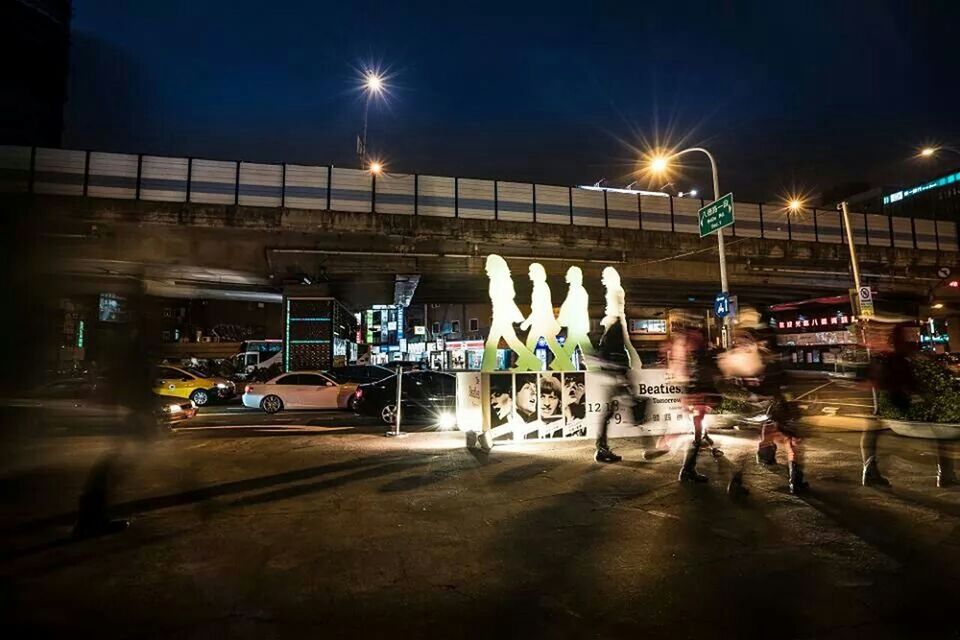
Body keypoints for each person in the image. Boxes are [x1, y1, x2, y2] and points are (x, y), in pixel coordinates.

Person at [482, 255, 540, 371]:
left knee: (492, 342)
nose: (486, 268)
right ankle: (533, 361)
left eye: (488, 265)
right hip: (500, 314)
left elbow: (508, 296)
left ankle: (487, 368)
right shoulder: (500, 279)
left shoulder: (500, 279)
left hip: (501, 315)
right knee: (511, 341)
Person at [520, 263, 573, 371]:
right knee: (548, 345)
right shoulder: (541, 287)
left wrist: (527, 322)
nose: (529, 274)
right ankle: (567, 365)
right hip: (542, 323)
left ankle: (523, 367)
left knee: (531, 344)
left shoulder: (540, 288)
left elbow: (538, 309)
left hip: (541, 323)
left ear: (536, 273)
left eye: (531, 272)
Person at [557, 266, 594, 364]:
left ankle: (557, 366)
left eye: (568, 274)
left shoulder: (577, 290)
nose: (566, 276)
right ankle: (595, 368)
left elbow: (570, 308)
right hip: (577, 325)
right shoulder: (576, 289)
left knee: (569, 347)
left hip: (576, 325)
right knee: (584, 348)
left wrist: (561, 320)